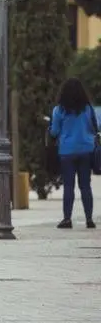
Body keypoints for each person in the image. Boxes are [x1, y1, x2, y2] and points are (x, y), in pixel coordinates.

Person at [49, 77, 96, 229]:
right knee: (85, 186)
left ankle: (67, 219)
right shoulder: (88, 109)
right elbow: (94, 128)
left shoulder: (59, 110)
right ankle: (89, 219)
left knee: (69, 186)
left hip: (67, 151)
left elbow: (55, 131)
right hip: (86, 150)